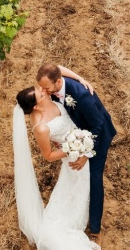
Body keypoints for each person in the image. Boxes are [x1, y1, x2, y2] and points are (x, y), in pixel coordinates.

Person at [13, 83, 102, 250]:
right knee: (78, 186)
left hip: (79, 140)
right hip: (71, 154)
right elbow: (49, 155)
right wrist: (75, 148)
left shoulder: (52, 100)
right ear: (34, 108)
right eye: (39, 94)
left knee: (80, 188)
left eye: (40, 89)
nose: (43, 91)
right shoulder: (41, 127)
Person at [35, 62, 116, 238]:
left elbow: (98, 126)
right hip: (81, 129)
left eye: (46, 88)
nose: (43, 91)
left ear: (58, 82)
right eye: (41, 88)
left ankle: (95, 230)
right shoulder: (54, 84)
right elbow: (57, 66)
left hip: (99, 135)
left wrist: (86, 154)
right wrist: (80, 77)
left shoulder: (82, 96)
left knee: (94, 177)